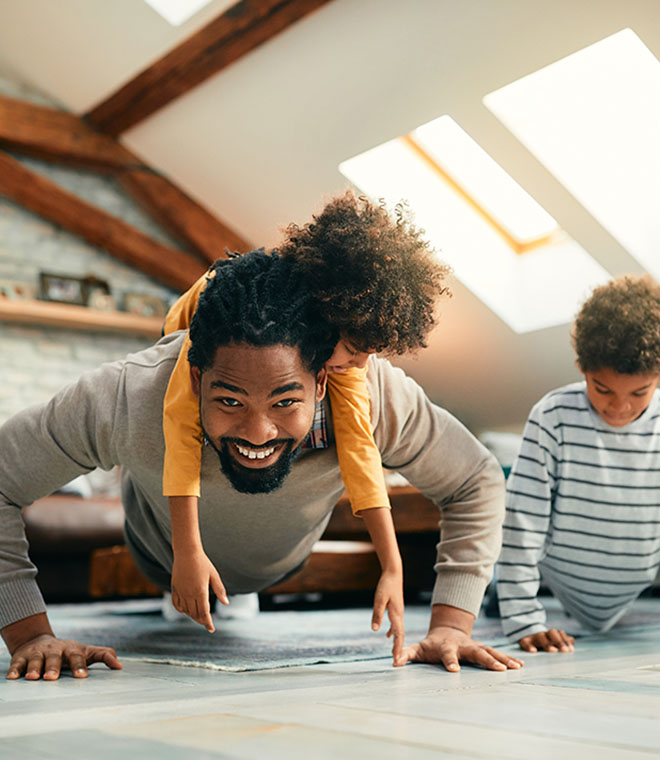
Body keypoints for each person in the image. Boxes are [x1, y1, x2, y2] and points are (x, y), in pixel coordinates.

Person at [0, 250, 522, 681]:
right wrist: (29, 633)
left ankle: (232, 595)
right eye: (229, 401)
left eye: (284, 404)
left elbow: (476, 480)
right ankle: (188, 590)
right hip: (161, 556)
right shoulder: (126, 395)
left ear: (322, 381)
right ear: (198, 378)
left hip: (281, 560)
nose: (257, 432)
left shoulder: (372, 396)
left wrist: (453, 622)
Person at [162, 193, 451, 661]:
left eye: (370, 353)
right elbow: (178, 429)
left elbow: (361, 449)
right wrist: (188, 554)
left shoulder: (344, 355)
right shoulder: (226, 319)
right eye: (356, 349)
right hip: (189, 333)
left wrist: (392, 566)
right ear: (328, 314)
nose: (362, 363)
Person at [497, 274, 660, 653]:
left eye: (639, 393)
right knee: (501, 575)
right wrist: (524, 618)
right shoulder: (552, 415)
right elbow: (523, 520)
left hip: (637, 574)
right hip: (558, 569)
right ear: (582, 368)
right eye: (602, 389)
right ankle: (497, 590)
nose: (619, 407)